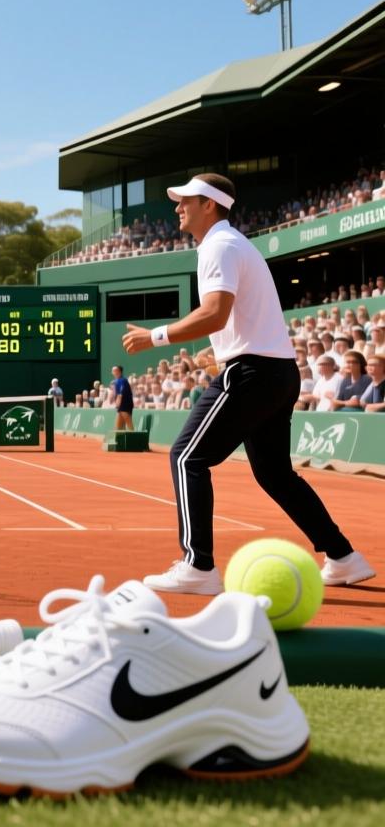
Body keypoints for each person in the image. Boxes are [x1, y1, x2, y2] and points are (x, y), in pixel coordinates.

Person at [123, 173, 375, 593]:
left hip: (253, 373)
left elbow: (215, 313)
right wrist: (218, 354)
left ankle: (198, 566)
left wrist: (156, 336)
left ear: (209, 204)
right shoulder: (234, 244)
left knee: (187, 457)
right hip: (277, 373)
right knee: (276, 475)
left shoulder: (218, 246)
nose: (177, 207)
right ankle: (344, 557)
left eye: (186, 200)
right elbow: (234, 321)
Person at [111, 364, 133, 430]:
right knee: (119, 424)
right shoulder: (116, 381)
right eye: (113, 371)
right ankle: (117, 437)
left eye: (115, 370)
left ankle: (133, 435)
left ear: (119, 371)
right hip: (121, 405)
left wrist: (118, 400)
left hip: (125, 404)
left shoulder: (122, 380)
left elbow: (121, 392)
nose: (113, 372)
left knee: (127, 420)